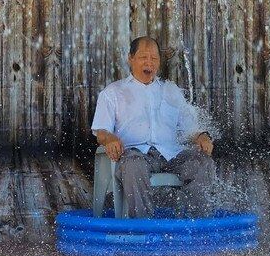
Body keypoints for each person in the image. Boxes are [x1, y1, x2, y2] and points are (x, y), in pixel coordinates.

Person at [91, 36, 215, 218]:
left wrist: (202, 136)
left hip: (170, 154)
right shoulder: (113, 93)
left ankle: (197, 225)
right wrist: (110, 139)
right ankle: (143, 227)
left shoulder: (171, 91)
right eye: (143, 57)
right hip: (135, 154)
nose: (149, 63)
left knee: (202, 163)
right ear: (130, 58)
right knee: (133, 164)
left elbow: (190, 130)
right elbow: (101, 132)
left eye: (154, 58)